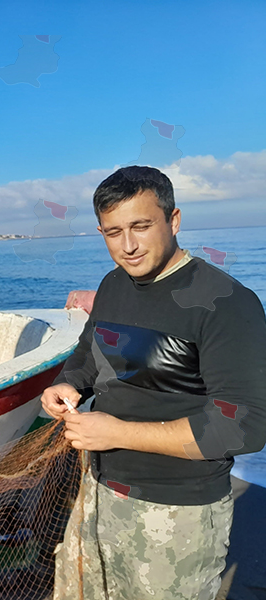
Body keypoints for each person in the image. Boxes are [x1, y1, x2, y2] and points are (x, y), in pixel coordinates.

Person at [41, 166, 266, 600]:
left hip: (176, 509)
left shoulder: (227, 303)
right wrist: (66, 383)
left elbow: (245, 424)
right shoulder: (112, 285)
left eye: (141, 226)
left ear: (173, 220)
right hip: (99, 490)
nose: (127, 246)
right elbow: (90, 352)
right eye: (113, 232)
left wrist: (117, 433)